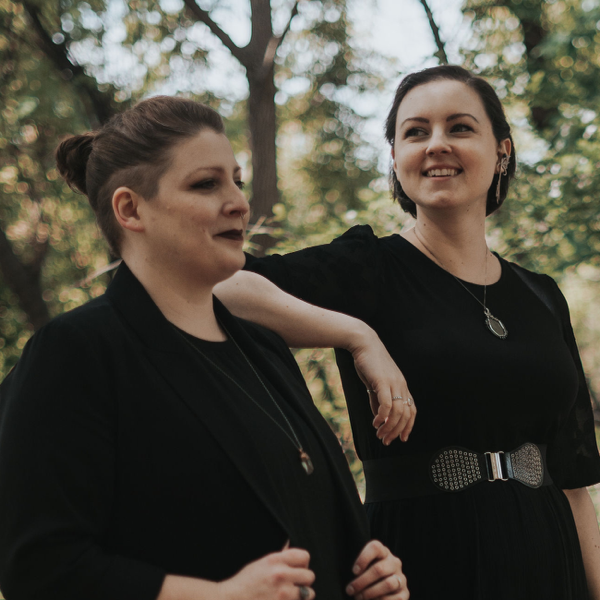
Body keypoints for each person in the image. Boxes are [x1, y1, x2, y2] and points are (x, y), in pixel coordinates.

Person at [0, 96, 411, 600]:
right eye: (206, 184)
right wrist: (218, 597)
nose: (239, 202)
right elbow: (38, 569)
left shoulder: (262, 348)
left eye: (236, 180)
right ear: (130, 209)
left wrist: (367, 572)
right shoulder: (76, 352)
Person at [214, 65, 600, 599]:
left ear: (502, 151)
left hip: (551, 562)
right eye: (416, 132)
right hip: (416, 563)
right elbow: (219, 285)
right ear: (396, 158)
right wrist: (357, 335)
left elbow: (573, 484)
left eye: (459, 127)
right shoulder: (365, 268)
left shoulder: (542, 295)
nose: (437, 144)